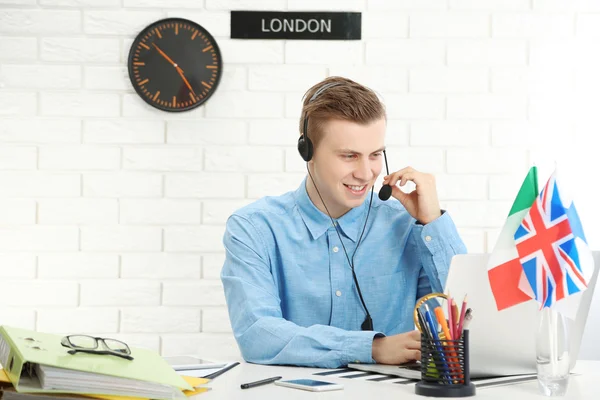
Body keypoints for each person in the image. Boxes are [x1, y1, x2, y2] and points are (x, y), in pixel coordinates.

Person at [221, 76, 467, 369]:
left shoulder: (407, 224)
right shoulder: (254, 229)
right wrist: (373, 348)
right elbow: (257, 334)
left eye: (375, 155)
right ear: (307, 152)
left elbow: (466, 317)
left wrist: (433, 221)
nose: (366, 173)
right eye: (349, 156)